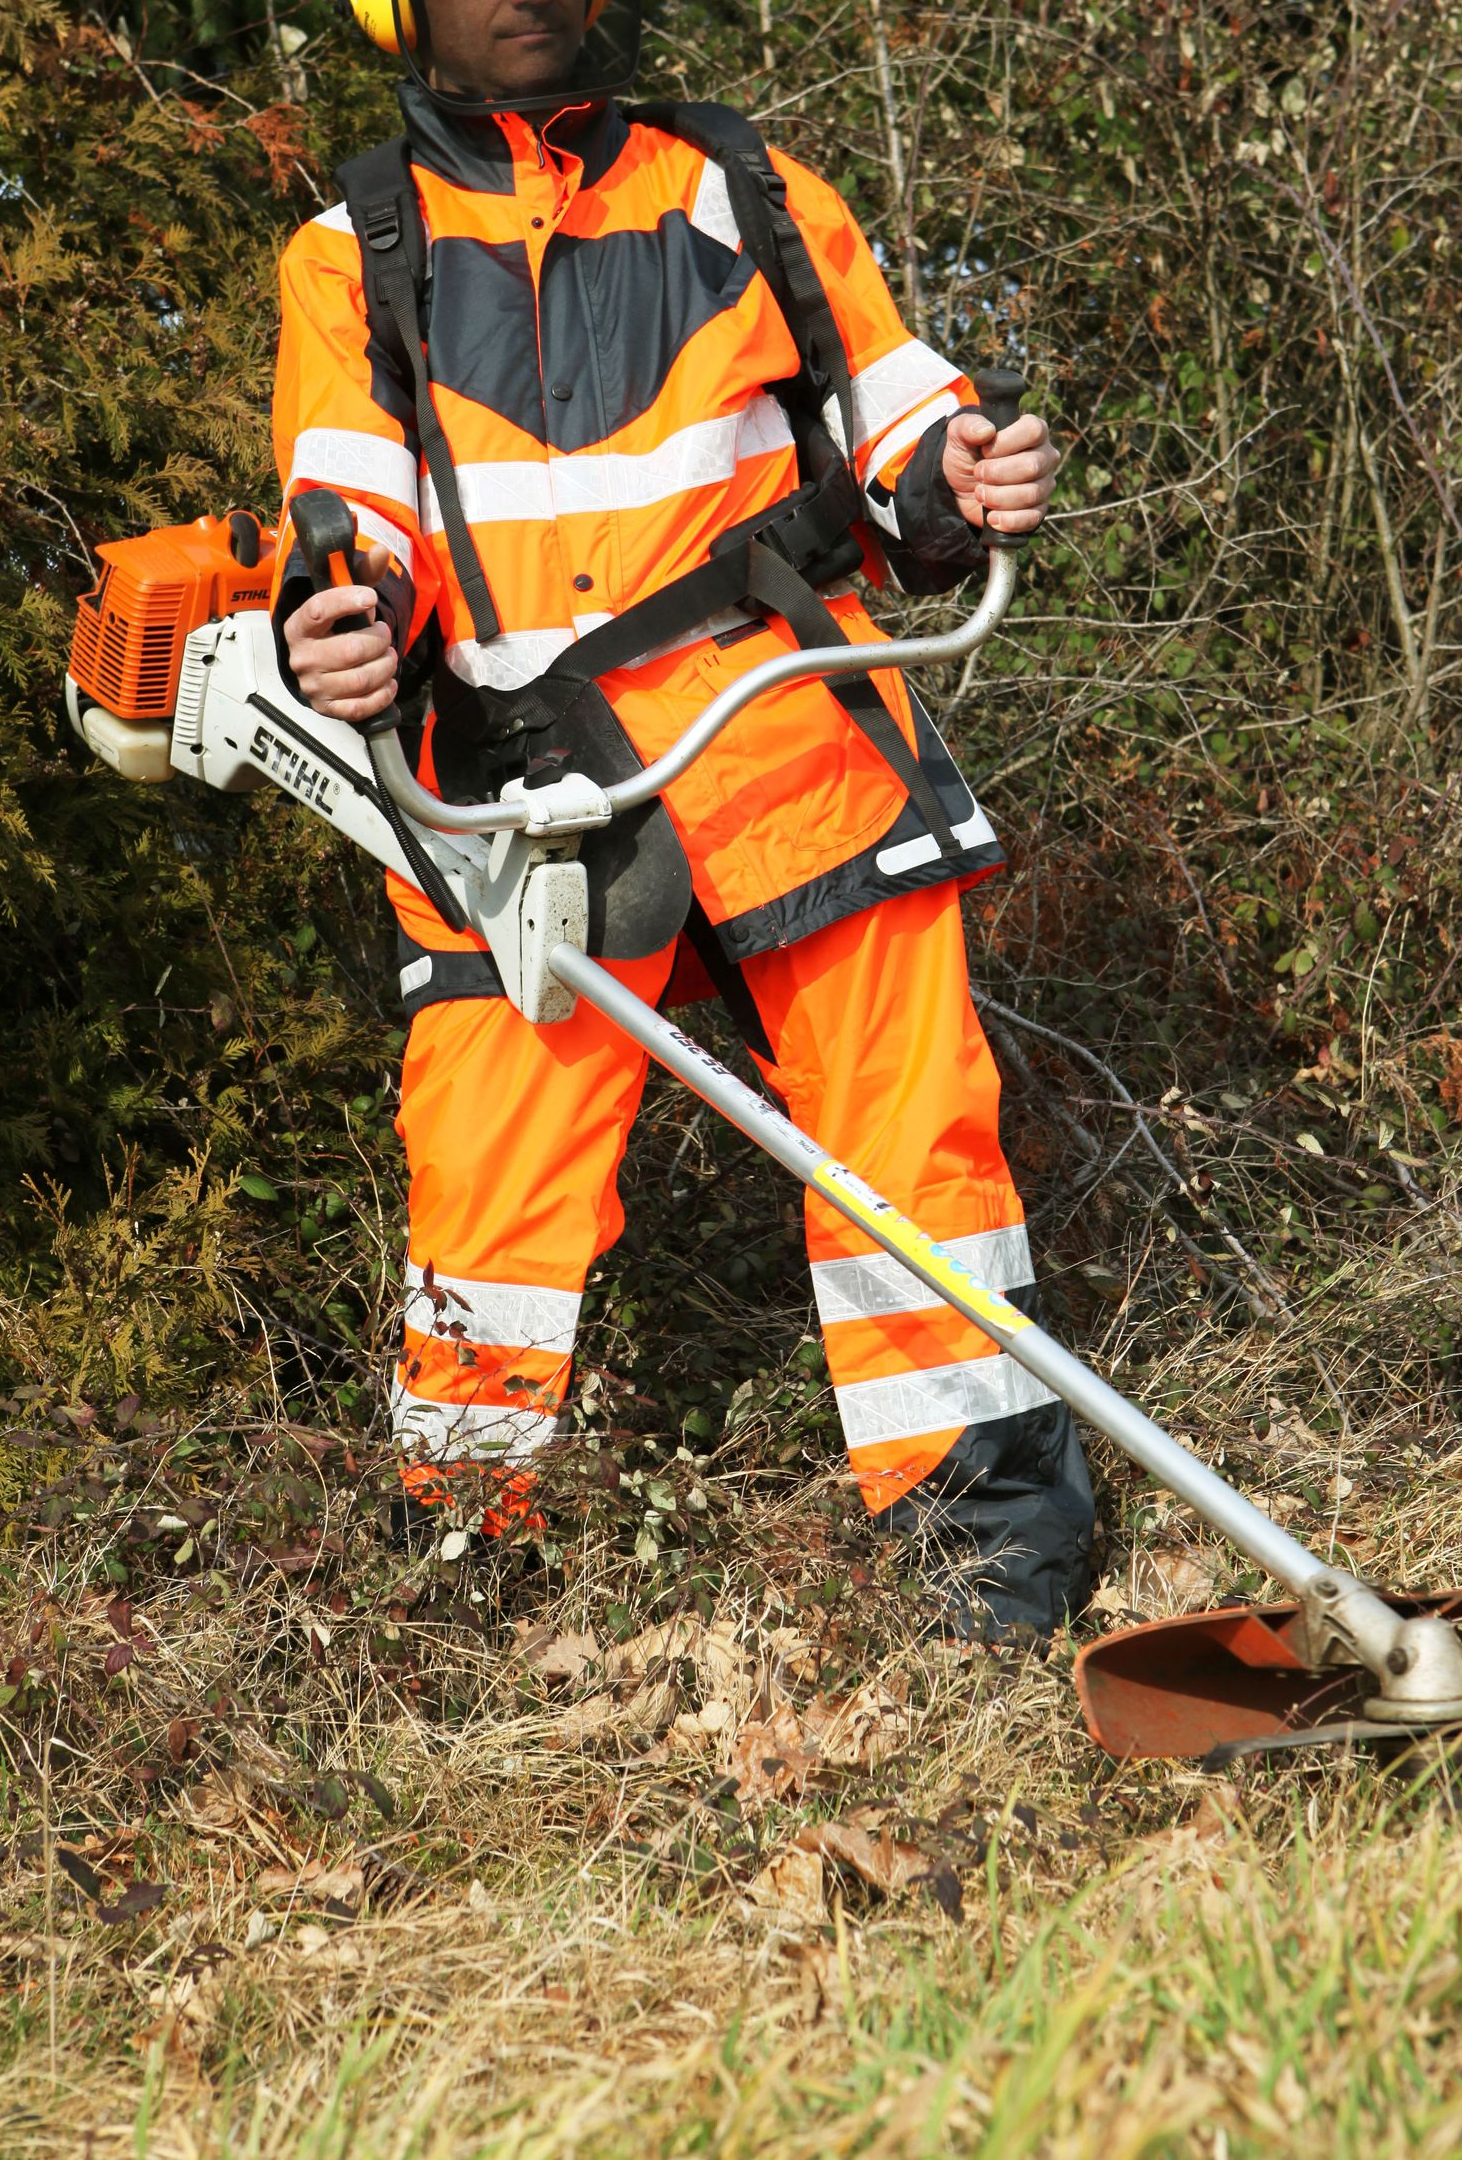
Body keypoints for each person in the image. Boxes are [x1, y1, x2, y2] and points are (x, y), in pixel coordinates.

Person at [269, 0, 1094, 1635]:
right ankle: (464, 1587)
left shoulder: (739, 186)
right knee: (490, 1191)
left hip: (784, 742)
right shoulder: (354, 248)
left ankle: (994, 1573)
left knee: (911, 1138)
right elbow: (347, 510)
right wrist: (339, 614)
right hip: (519, 795)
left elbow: (900, 424)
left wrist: (962, 478)